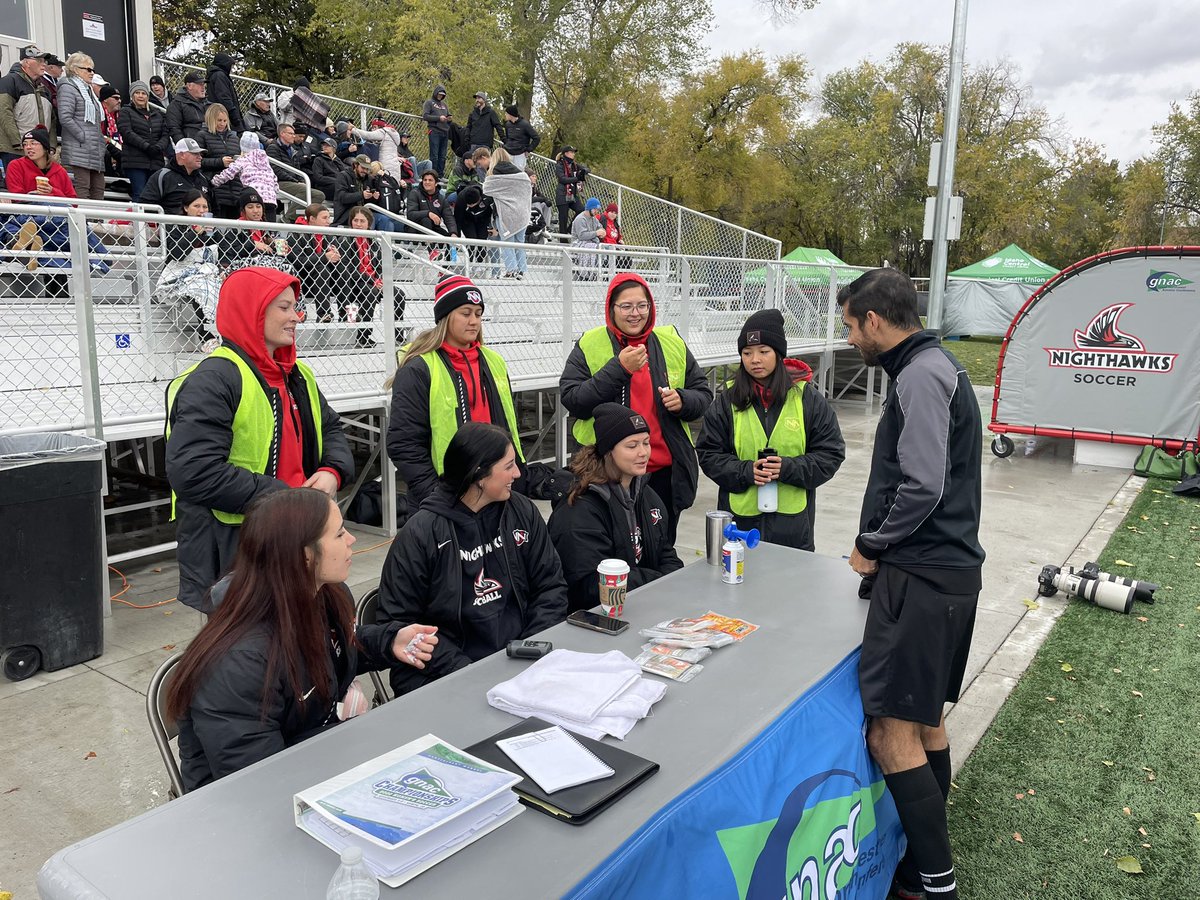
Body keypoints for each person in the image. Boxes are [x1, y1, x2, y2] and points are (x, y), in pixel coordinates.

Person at [839, 268, 984, 900]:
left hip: (923, 579)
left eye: (849, 325)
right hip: (950, 575)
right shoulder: (936, 366)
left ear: (875, 320)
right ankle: (923, 860)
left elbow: (922, 485)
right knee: (927, 725)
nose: (848, 338)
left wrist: (872, 543)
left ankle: (933, 881)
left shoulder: (920, 377)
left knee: (889, 735)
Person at [166, 487, 438, 791]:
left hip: (314, 766)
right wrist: (346, 733)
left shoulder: (322, 595)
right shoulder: (239, 663)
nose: (352, 540)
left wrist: (389, 642)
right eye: (339, 534)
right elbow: (257, 782)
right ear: (304, 556)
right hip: (241, 807)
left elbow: (333, 648)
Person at [165, 267, 355, 613]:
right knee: (252, 652)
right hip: (238, 546)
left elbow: (331, 429)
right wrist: (288, 499)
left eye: (296, 307)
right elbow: (194, 471)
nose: (296, 317)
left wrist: (332, 471)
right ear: (252, 311)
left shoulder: (298, 373)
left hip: (296, 531)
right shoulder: (214, 379)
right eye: (283, 307)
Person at [378, 422, 567, 696]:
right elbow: (398, 624)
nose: (518, 473)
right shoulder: (422, 533)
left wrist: (531, 648)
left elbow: (551, 586)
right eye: (509, 465)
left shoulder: (521, 511)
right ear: (479, 473)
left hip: (521, 665)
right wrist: (467, 671)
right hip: (443, 676)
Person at [560, 272, 712, 546]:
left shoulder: (671, 340)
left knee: (661, 549)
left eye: (642, 305)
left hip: (664, 472)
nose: (635, 313)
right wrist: (618, 369)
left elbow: (703, 392)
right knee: (615, 552)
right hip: (608, 472)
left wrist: (684, 400)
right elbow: (573, 399)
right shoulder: (589, 343)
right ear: (611, 309)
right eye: (626, 306)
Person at [695, 308, 845, 550]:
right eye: (747, 353)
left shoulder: (807, 398)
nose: (755, 359)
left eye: (764, 352)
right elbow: (708, 454)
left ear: (778, 354)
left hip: (793, 528)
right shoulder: (727, 400)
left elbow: (831, 454)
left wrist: (787, 468)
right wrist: (745, 472)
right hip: (740, 526)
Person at [387, 274, 524, 516]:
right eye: (465, 312)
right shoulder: (419, 368)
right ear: (445, 316)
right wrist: (437, 496)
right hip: (444, 498)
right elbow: (404, 443)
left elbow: (507, 427)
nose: (474, 321)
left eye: (478, 314)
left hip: (493, 493)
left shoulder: (494, 362)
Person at [548, 403, 682, 613]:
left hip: (643, 604)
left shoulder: (645, 492)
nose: (643, 453)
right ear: (609, 451)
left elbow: (665, 552)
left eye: (646, 443)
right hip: (598, 618)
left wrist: (674, 581)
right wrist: (659, 581)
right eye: (632, 446)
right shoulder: (579, 508)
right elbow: (588, 585)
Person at [156, 189, 223, 347]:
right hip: (181, 272)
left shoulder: (213, 228)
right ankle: (205, 335)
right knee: (201, 285)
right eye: (196, 206)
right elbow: (177, 254)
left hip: (208, 269)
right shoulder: (175, 226)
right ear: (186, 208)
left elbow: (224, 251)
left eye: (205, 207)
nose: (201, 211)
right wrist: (195, 232)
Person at [342, 205, 406, 348]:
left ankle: (397, 332)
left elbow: (382, 266)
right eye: (355, 220)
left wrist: (381, 280)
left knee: (399, 294)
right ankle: (363, 336)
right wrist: (372, 281)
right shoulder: (345, 240)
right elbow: (348, 269)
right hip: (354, 283)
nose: (358, 224)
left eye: (362, 221)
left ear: (368, 224)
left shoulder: (374, 241)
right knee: (371, 292)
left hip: (374, 282)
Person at [56, 52, 106, 200]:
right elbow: (65, 117)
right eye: (88, 69)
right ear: (75, 69)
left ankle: (97, 221)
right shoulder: (68, 87)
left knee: (99, 186)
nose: (92, 73)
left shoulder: (88, 90)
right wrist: (82, 136)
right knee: (83, 185)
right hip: (79, 146)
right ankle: (83, 222)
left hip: (94, 147)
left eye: (93, 70)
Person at [0, 45, 54, 166]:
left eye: (44, 61)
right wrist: (19, 142)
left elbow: (52, 121)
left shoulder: (45, 89)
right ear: (27, 62)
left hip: (39, 150)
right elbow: (4, 112)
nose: (44, 64)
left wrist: (51, 145)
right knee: (17, 184)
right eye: (39, 60)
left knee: (37, 185)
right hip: (14, 150)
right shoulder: (9, 81)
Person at [482, 147, 530, 278]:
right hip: (522, 213)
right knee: (520, 242)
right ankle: (522, 270)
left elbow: (486, 189)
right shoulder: (521, 174)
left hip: (506, 214)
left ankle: (511, 270)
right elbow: (527, 192)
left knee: (507, 242)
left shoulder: (495, 173)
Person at [117, 80, 168, 201]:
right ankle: (139, 220)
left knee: (154, 196)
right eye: (137, 93)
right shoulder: (125, 111)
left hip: (155, 161)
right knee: (139, 193)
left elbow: (165, 134)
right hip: (135, 161)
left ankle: (153, 220)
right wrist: (146, 146)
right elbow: (127, 132)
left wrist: (158, 147)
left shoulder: (158, 114)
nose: (141, 96)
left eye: (143, 93)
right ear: (132, 95)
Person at [211, 131, 280, 221]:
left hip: (254, 199)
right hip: (271, 201)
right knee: (270, 230)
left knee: (254, 227)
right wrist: (274, 192)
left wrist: (214, 181)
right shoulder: (265, 162)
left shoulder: (243, 159)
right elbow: (274, 180)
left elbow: (229, 173)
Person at [140, 138, 212, 217]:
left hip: (200, 227)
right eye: (195, 154)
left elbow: (213, 207)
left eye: (200, 154)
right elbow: (146, 205)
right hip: (169, 227)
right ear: (181, 155)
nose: (200, 157)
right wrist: (162, 224)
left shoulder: (203, 179)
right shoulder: (162, 176)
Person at [196, 103, 244, 218]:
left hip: (236, 190)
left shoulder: (234, 138)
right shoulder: (202, 135)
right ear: (211, 119)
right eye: (219, 120)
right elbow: (198, 161)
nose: (222, 124)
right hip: (216, 190)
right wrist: (219, 162)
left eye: (224, 120)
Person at [218, 187, 285, 264]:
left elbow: (282, 253)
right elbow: (228, 254)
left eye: (258, 206)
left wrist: (277, 246)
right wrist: (253, 244)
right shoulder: (234, 228)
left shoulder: (266, 227)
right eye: (250, 207)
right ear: (243, 211)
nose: (255, 211)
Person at [351, 118, 406, 182]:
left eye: (374, 127)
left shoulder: (383, 132)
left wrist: (353, 130)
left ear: (380, 127)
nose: (373, 130)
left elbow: (367, 135)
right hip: (395, 167)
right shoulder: (391, 135)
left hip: (386, 165)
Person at [406, 169, 456, 237]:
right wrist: (428, 213)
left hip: (433, 229)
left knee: (447, 239)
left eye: (430, 180)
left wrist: (453, 232)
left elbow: (448, 217)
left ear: (436, 183)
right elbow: (410, 214)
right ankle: (429, 244)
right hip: (415, 229)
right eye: (425, 180)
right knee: (426, 220)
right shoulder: (414, 193)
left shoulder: (441, 198)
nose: (427, 182)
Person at [332, 154, 378, 226]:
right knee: (367, 220)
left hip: (364, 212)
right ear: (355, 165)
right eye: (363, 168)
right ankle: (366, 237)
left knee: (384, 220)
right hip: (346, 215)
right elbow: (342, 197)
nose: (365, 171)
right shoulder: (343, 176)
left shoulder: (369, 179)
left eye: (367, 169)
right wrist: (361, 195)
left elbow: (367, 201)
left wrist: (374, 198)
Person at [454, 183, 494, 263]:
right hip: (467, 219)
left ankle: (479, 263)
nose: (470, 206)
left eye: (472, 204)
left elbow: (494, 212)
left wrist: (492, 227)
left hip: (483, 219)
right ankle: (469, 263)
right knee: (472, 240)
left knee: (482, 242)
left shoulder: (488, 196)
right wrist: (456, 235)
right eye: (468, 204)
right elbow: (457, 218)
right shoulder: (461, 199)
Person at [205, 51, 244, 133]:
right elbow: (224, 98)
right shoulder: (220, 76)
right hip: (226, 118)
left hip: (223, 116)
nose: (231, 68)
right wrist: (235, 118)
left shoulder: (216, 75)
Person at [164, 70, 208, 143]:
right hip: (192, 146)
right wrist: (186, 147)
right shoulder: (176, 104)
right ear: (189, 86)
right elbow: (174, 129)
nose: (203, 87)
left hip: (211, 146)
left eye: (203, 84)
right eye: (200, 84)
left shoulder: (209, 104)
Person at [554, 146, 586, 235]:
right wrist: (576, 178)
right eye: (571, 152)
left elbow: (586, 169)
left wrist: (583, 172)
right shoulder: (559, 164)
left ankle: (570, 230)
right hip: (562, 194)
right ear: (566, 153)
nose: (573, 154)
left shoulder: (574, 165)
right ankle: (563, 240)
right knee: (563, 219)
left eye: (573, 152)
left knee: (581, 210)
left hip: (572, 195)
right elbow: (562, 179)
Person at [421, 84, 451, 177]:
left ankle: (440, 175)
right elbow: (425, 116)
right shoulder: (429, 103)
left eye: (442, 94)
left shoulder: (444, 105)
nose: (440, 96)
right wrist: (438, 118)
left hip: (444, 132)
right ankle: (433, 175)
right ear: (435, 93)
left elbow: (448, 115)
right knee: (434, 155)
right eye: (439, 94)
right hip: (434, 131)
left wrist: (449, 118)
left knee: (443, 156)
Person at [501, 104, 539, 170]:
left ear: (511, 114)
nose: (505, 115)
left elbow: (536, 138)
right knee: (507, 172)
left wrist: (529, 149)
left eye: (506, 113)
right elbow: (507, 137)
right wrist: (506, 145)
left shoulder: (525, 125)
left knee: (518, 172)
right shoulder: (507, 124)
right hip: (508, 152)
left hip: (520, 154)